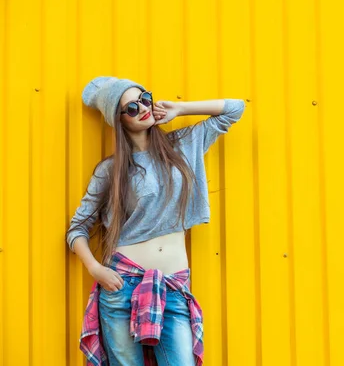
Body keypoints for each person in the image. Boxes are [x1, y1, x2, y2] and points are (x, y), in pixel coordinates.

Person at [66, 76, 246, 365]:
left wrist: (180, 109)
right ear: (119, 120)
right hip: (120, 285)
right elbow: (77, 228)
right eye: (132, 108)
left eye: (145, 98)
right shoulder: (111, 170)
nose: (144, 107)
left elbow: (235, 108)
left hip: (173, 285)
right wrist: (95, 268)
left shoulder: (184, 145)